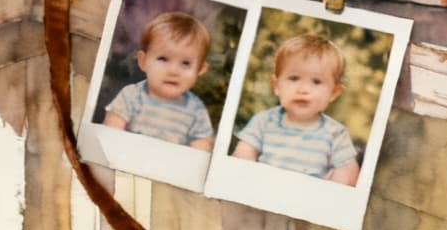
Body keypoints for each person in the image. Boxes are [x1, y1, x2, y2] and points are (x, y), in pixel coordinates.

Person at [232, 33, 360, 185]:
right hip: (263, 189)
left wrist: (334, 186)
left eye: (316, 81)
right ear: (276, 85)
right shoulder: (263, 121)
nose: (303, 89)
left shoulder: (336, 134)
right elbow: (243, 156)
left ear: (333, 92)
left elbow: (347, 171)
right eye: (294, 78)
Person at [102, 11, 215, 150]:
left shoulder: (196, 110)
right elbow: (109, 137)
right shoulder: (131, 96)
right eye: (163, 59)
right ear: (143, 61)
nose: (173, 71)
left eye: (185, 63)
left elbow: (201, 151)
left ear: (200, 69)